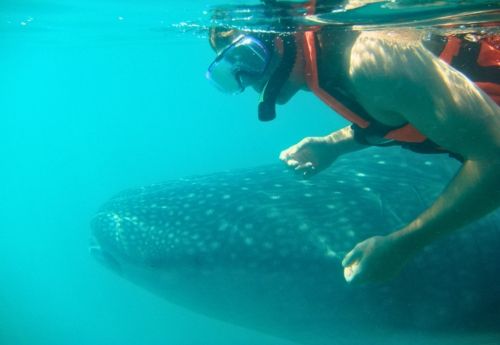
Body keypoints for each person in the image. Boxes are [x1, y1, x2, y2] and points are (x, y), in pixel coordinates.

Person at [206, 0, 500, 284]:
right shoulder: (332, 62)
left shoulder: (370, 59)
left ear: (280, 39)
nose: (246, 79)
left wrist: (403, 245)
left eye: (248, 58)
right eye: (229, 73)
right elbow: (405, 111)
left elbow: (495, 159)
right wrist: (336, 145)